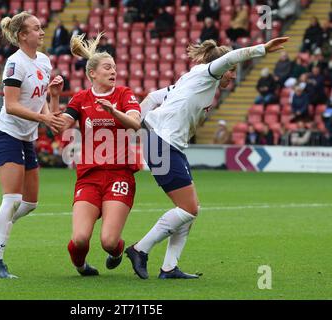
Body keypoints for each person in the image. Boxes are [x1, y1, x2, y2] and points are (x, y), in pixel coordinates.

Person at [125, 37, 289, 279]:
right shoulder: (208, 73)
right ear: (221, 66)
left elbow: (151, 97)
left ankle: (169, 267)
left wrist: (139, 127)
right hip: (161, 142)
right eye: (231, 71)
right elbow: (232, 57)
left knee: (192, 209)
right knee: (188, 208)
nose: (233, 76)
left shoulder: (193, 81)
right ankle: (140, 249)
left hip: (166, 143)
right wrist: (262, 49)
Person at [0, 11, 65, 279]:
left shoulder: (44, 61)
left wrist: (51, 103)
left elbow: (39, 97)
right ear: (22, 35)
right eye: (36, 28)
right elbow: (11, 105)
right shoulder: (14, 63)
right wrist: (43, 117)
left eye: (41, 27)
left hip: (26, 138)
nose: (42, 32)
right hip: (6, 134)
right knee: (12, 199)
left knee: (30, 203)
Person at [53, 32, 142, 276]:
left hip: (119, 175)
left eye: (114, 67)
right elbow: (60, 127)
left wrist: (113, 111)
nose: (113, 71)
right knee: (80, 238)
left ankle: (117, 251)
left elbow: (135, 123)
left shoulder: (123, 94)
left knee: (109, 242)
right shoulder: (81, 98)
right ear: (93, 73)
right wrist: (53, 97)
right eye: (107, 67)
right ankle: (81, 266)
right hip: (89, 176)